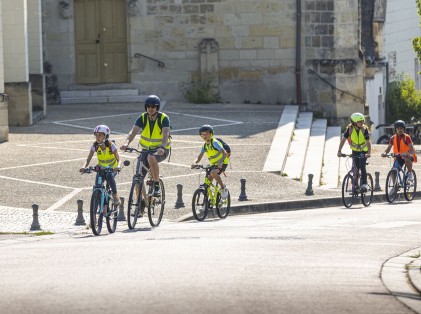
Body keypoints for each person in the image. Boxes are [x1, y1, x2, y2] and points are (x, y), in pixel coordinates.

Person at [120, 95, 170, 197]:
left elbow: (165, 135)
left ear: (157, 108)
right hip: (145, 150)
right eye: (148, 106)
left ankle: (156, 185)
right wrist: (126, 143)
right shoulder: (142, 118)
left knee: (151, 158)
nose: (150, 109)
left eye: (153, 107)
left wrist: (162, 147)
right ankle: (140, 205)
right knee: (138, 178)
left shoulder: (164, 118)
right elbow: (132, 132)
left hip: (161, 150)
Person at [80, 125, 121, 205]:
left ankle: (115, 195)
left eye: (100, 135)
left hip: (112, 169)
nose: (97, 137)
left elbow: (119, 159)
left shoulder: (111, 146)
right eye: (96, 135)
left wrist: (118, 166)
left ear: (106, 136)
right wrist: (83, 167)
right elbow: (88, 159)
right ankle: (96, 206)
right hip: (101, 168)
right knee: (97, 186)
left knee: (109, 176)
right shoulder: (94, 146)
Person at [191, 124, 229, 198]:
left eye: (206, 134)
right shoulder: (205, 146)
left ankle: (223, 188)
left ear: (211, 134)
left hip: (223, 162)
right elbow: (199, 158)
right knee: (207, 183)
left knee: (213, 173)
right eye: (203, 134)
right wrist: (194, 162)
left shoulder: (214, 143)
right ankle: (206, 203)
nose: (205, 136)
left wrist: (220, 162)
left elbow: (224, 153)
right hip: (213, 164)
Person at [337, 112, 372, 192]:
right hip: (355, 151)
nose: (362, 123)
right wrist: (339, 151)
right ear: (354, 122)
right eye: (360, 122)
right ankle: (355, 185)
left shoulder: (364, 129)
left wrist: (368, 153)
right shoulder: (350, 129)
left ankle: (364, 184)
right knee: (355, 169)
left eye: (362, 121)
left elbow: (368, 142)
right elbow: (343, 140)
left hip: (364, 151)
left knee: (362, 166)